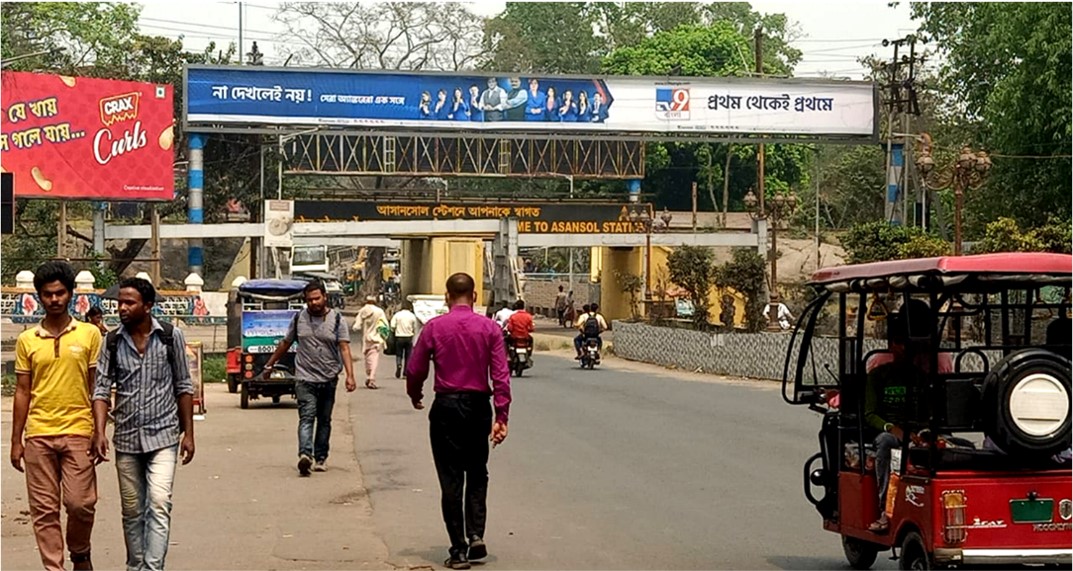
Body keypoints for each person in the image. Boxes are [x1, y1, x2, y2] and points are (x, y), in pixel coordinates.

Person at [405, 273, 511, 570]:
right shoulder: (489, 328)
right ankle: (476, 533)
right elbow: (501, 376)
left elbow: (415, 368)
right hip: (479, 407)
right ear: (474, 296)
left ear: (447, 296)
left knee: (451, 478)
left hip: (447, 407)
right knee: (478, 472)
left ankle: (458, 550)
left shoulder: (434, 328)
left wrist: (415, 394)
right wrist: (501, 415)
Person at [90, 277, 194, 571]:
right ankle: (135, 565)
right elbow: (100, 389)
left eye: (129, 302)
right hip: (126, 439)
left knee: (160, 503)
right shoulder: (110, 341)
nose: (121, 307)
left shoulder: (171, 337)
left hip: (164, 437)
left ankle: (152, 568)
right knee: (133, 510)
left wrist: (189, 434)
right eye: (120, 302)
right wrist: (99, 431)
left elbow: (184, 386)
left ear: (147, 306)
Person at [12, 261, 102, 571]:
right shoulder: (28, 339)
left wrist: (99, 431)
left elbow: (97, 388)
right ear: (39, 296)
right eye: (48, 294)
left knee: (81, 503)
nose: (54, 299)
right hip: (38, 434)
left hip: (79, 431)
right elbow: (22, 391)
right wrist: (15, 441)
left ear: (71, 295)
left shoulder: (89, 334)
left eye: (60, 293)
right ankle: (53, 567)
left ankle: (80, 553)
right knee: (43, 510)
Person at [862, 302, 937, 533]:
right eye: (900, 343)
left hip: (917, 433)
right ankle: (886, 509)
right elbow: (869, 414)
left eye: (909, 345)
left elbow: (928, 412)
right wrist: (892, 428)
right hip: (890, 434)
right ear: (892, 345)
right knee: (885, 442)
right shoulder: (877, 375)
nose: (905, 349)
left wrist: (923, 432)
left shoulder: (920, 378)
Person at [355, 295, 388, 389]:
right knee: (374, 359)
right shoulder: (379, 311)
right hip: (376, 339)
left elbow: (357, 325)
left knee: (367, 359)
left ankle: (369, 376)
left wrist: (357, 327)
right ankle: (371, 378)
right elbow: (384, 325)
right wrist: (384, 337)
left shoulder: (363, 311)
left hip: (366, 339)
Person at [390, 302, 419, 379]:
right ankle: (405, 372)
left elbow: (392, 326)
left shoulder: (397, 315)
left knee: (399, 354)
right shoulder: (412, 316)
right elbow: (415, 327)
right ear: (409, 308)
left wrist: (395, 330)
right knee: (408, 355)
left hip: (399, 337)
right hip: (409, 337)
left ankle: (399, 364)